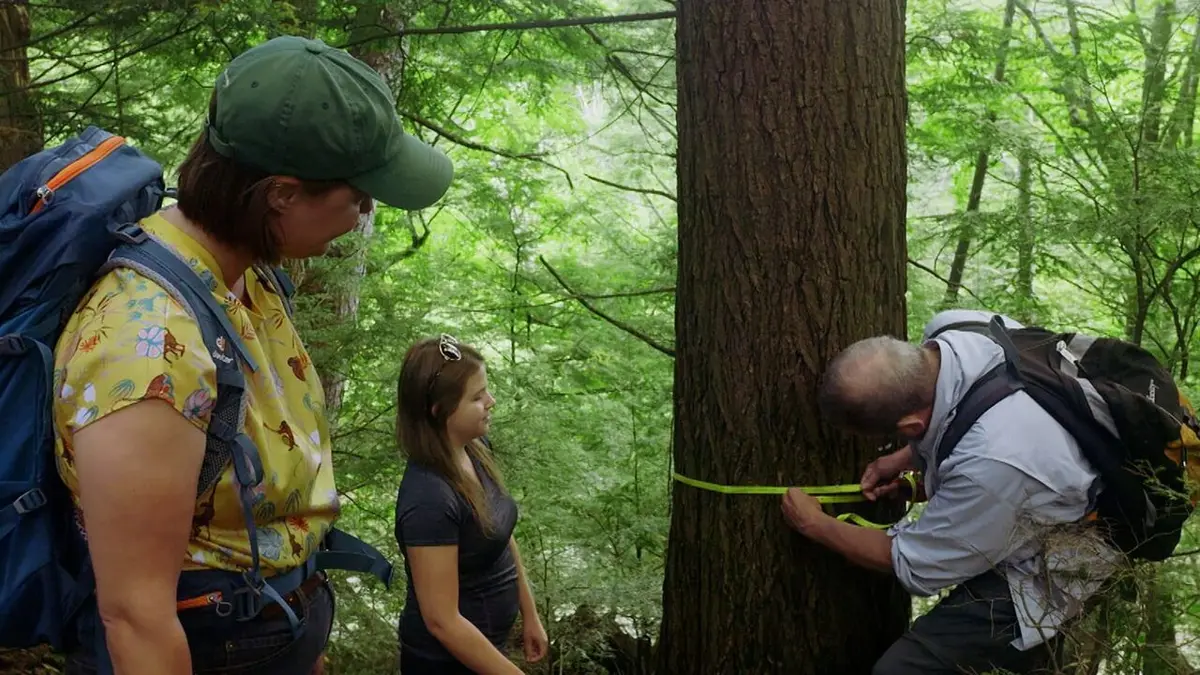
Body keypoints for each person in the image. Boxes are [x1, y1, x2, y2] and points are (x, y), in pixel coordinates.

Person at [52, 35, 453, 674]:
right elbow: (135, 616)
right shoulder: (147, 350)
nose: (364, 213)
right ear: (281, 195)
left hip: (269, 624)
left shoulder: (245, 274)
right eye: (358, 195)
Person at [781, 310, 1119, 675]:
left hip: (1053, 565)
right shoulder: (955, 329)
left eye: (905, 435)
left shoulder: (992, 465)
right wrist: (909, 457)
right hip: (1028, 480)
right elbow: (967, 407)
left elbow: (913, 562)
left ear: (910, 424)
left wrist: (815, 526)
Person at [393, 334, 548, 674]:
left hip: (487, 648)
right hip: (445, 662)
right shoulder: (428, 499)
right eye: (477, 397)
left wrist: (529, 613)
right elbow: (442, 621)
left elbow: (501, 532)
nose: (491, 401)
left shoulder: (475, 449)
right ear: (438, 411)